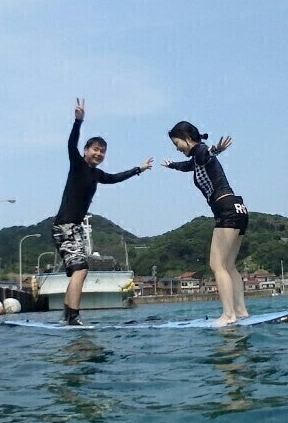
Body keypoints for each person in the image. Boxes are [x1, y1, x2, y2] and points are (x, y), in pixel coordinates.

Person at [53, 98, 152, 325]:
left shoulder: (96, 174)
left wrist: (139, 169)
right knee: (80, 269)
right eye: (96, 149)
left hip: (75, 228)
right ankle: (72, 316)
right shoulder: (77, 164)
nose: (99, 153)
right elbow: (71, 143)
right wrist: (78, 121)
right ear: (86, 150)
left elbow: (115, 178)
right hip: (64, 226)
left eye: (103, 151)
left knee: (79, 270)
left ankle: (67, 315)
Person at [162, 121, 248, 326]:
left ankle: (228, 315)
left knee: (217, 265)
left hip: (226, 210)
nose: (176, 148)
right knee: (229, 265)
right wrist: (171, 165)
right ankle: (241, 311)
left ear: (187, 139)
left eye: (176, 143)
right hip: (239, 210)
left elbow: (204, 154)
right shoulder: (196, 159)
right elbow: (187, 165)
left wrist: (215, 149)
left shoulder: (201, 151)